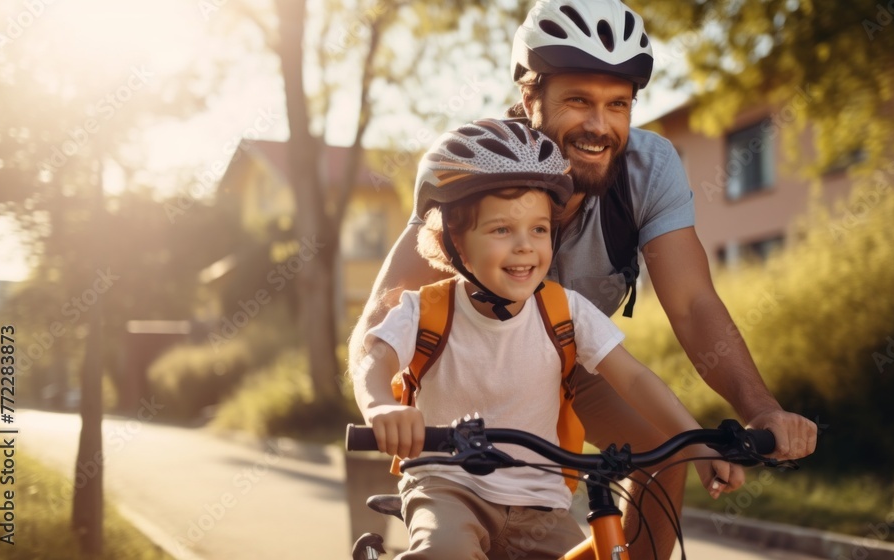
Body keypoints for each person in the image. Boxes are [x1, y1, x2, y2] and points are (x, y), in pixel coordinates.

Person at [349, 1, 818, 557]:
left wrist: (758, 409)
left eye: (618, 105)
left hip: (573, 349)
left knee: (668, 451)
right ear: (530, 98)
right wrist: (379, 404)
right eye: (578, 101)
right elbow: (388, 307)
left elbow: (692, 304)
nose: (599, 126)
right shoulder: (480, 165)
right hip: (471, 358)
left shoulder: (650, 168)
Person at [353, 118, 745, 559]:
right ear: (456, 244)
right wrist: (380, 407)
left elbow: (633, 380)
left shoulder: (566, 311)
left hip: (542, 503)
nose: (525, 247)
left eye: (539, 229)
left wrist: (696, 440)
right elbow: (376, 358)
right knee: (448, 553)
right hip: (449, 487)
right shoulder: (426, 310)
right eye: (502, 230)